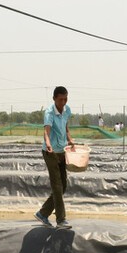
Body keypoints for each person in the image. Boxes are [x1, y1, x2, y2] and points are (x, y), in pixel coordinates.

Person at [35, 85, 75, 229]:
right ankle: (61, 220)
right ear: (54, 99)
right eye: (60, 99)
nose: (63, 102)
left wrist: (70, 139)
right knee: (57, 186)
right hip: (50, 152)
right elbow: (46, 131)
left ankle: (43, 213)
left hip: (62, 151)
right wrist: (48, 144)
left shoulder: (67, 110)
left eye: (65, 99)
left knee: (63, 186)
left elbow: (66, 127)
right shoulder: (49, 113)